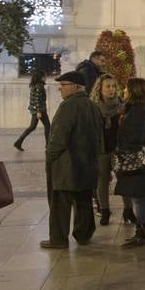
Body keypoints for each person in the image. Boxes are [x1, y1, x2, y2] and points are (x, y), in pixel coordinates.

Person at [41, 72, 104, 249]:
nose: (60, 88)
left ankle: (58, 239)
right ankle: (83, 235)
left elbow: (59, 137)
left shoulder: (68, 106)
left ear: (75, 86)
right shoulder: (92, 106)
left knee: (60, 204)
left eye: (64, 84)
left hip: (66, 166)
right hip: (87, 164)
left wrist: (50, 157)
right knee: (83, 202)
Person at [115, 77, 145, 247]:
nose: (124, 91)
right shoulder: (141, 108)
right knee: (140, 196)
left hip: (136, 159)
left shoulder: (137, 111)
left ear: (135, 91)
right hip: (141, 156)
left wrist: (121, 151)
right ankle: (142, 231)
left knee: (140, 197)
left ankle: (143, 233)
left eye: (126, 88)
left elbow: (134, 137)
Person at [90, 73, 122, 225]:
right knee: (102, 181)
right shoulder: (94, 107)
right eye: (108, 86)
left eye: (113, 86)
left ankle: (128, 209)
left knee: (123, 179)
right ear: (100, 89)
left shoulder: (121, 104)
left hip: (118, 149)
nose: (111, 89)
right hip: (100, 149)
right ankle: (104, 210)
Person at [13, 68, 50, 151]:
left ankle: (18, 142)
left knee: (32, 127)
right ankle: (48, 145)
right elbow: (37, 99)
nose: (46, 78)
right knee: (47, 126)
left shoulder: (35, 85)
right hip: (40, 110)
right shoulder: (39, 86)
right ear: (41, 77)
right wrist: (39, 111)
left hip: (36, 109)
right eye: (45, 76)